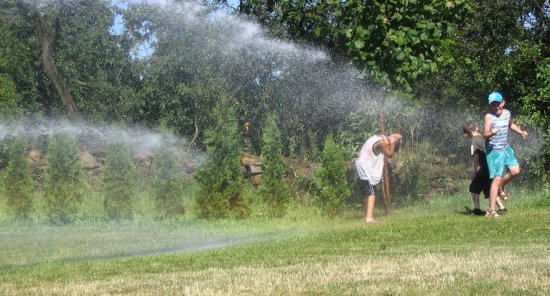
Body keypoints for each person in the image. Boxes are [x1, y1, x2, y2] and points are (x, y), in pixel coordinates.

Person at [483, 92, 528, 218]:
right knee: (495, 180)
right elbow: (485, 134)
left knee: (515, 171)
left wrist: (521, 132)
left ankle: (500, 186)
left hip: (505, 148)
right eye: (493, 105)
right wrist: (491, 132)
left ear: (503, 102)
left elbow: (510, 124)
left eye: (498, 103)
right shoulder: (488, 117)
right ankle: (491, 210)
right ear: (490, 106)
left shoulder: (507, 113)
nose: (496, 106)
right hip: (494, 151)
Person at [355, 133, 402, 222]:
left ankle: (367, 216)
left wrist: (393, 141)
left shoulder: (382, 138)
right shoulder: (382, 142)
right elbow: (390, 154)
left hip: (361, 165)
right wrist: (392, 143)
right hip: (363, 166)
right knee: (371, 193)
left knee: (367, 192)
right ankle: (369, 218)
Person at [463, 121, 506, 216]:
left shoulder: (474, 139)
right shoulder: (483, 137)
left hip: (485, 168)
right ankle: (502, 208)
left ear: (467, 132)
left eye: (465, 133)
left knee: (473, 187)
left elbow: (476, 155)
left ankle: (477, 209)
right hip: (492, 167)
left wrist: (474, 171)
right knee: (489, 188)